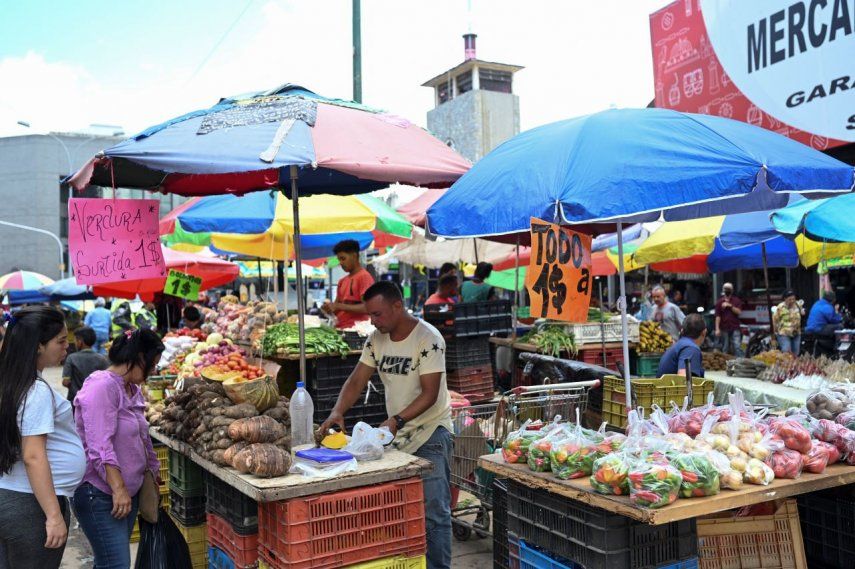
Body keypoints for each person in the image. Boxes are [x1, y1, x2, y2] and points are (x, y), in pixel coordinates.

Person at [319, 282, 453, 569]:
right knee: (401, 511)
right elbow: (357, 380)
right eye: (370, 316)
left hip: (431, 432)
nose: (373, 321)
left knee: (434, 514)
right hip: (396, 436)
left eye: (377, 315)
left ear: (397, 306)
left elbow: (430, 394)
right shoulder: (375, 340)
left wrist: (397, 420)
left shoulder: (427, 339)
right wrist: (337, 411)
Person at [0, 306, 86, 569]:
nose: (67, 347)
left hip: (9, 497)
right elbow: (33, 456)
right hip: (30, 506)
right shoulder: (34, 390)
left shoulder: (9, 381)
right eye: (60, 341)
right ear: (38, 346)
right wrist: (53, 515)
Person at [72, 329, 165, 569]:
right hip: (102, 494)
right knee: (116, 564)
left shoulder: (131, 388)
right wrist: (119, 489)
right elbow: (99, 445)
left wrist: (152, 471)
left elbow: (142, 438)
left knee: (110, 561)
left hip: (126, 493)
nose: (153, 371)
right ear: (139, 357)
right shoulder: (101, 387)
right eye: (152, 365)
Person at [322, 239, 375, 329]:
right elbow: (337, 308)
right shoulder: (342, 281)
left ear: (354, 256)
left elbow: (369, 308)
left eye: (343, 258)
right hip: (340, 329)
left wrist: (339, 306)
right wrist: (329, 309)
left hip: (356, 331)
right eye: (339, 259)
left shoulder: (364, 277)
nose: (341, 263)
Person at [62, 327, 109, 411]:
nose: (75, 343)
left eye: (75, 340)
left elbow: (66, 382)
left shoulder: (71, 358)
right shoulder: (102, 359)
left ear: (80, 341)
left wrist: (74, 386)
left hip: (75, 401)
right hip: (95, 402)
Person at [657, 313, 707, 378]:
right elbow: (683, 378)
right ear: (704, 332)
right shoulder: (691, 348)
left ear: (682, 330)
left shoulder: (679, 344)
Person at [714, 282, 744, 357]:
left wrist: (730, 306)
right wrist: (717, 329)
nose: (727, 290)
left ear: (732, 290)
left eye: (728, 289)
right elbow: (718, 316)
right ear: (723, 290)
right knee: (725, 348)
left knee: (737, 347)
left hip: (735, 326)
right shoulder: (719, 302)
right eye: (726, 289)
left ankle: (740, 363)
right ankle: (725, 364)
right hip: (724, 327)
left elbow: (739, 312)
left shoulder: (736, 301)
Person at [773, 290, 804, 355]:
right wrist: (775, 334)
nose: (792, 301)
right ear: (785, 299)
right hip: (784, 333)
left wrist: (803, 312)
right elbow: (775, 321)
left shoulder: (798, 305)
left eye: (793, 299)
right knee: (786, 353)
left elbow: (802, 312)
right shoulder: (780, 307)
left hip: (796, 333)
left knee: (796, 354)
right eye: (790, 299)